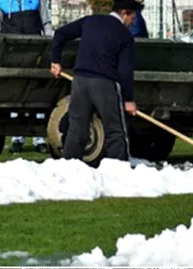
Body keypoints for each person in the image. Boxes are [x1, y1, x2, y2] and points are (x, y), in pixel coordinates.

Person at [50, 0, 141, 166]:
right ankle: (119, 167)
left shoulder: (90, 21)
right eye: (133, 17)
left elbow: (60, 34)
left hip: (79, 82)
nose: (133, 22)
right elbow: (125, 72)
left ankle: (69, 167)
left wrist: (55, 61)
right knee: (115, 130)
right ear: (124, 13)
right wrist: (128, 99)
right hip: (104, 84)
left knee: (76, 129)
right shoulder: (125, 36)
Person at [0, 0, 52, 154]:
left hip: (36, 53)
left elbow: (46, 23)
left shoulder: (38, 1)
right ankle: (17, 139)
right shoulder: (1, 2)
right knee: (15, 98)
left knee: (37, 96)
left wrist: (50, 46)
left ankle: (39, 139)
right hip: (12, 55)